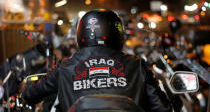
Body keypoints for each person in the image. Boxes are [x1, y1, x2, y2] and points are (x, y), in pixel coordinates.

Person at [22, 9, 172, 112]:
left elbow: (30, 95)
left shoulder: (66, 66)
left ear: (81, 34)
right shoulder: (136, 64)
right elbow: (162, 108)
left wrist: (24, 89)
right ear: (118, 33)